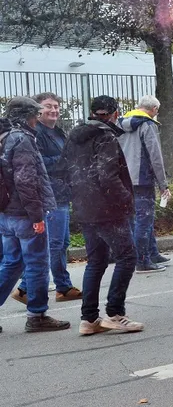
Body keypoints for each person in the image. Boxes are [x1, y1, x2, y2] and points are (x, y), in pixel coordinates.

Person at [62, 96, 143, 335]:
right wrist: (125, 199)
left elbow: (62, 171)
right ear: (115, 113)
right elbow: (107, 175)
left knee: (96, 261)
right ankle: (116, 313)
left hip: (84, 207)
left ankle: (89, 319)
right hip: (108, 209)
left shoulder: (74, 136)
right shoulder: (105, 136)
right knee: (127, 257)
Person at [0, 97, 69, 332]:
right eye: (34, 114)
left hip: (5, 213)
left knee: (11, 263)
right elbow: (26, 180)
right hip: (24, 214)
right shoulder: (22, 139)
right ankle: (37, 316)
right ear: (27, 116)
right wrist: (37, 216)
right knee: (37, 263)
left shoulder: (3, 137)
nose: (36, 118)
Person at [10, 92, 80, 305]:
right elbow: (36, 165)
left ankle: (61, 286)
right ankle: (27, 288)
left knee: (62, 242)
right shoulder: (34, 133)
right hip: (49, 196)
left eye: (57, 106)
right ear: (37, 111)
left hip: (62, 193)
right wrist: (64, 159)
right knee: (53, 244)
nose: (54, 110)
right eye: (48, 106)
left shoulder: (57, 131)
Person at [119, 95, 171, 273]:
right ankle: (142, 260)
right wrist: (163, 184)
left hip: (124, 179)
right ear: (154, 109)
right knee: (144, 219)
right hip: (142, 178)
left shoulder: (119, 124)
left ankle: (152, 252)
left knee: (137, 218)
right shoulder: (147, 124)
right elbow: (155, 156)